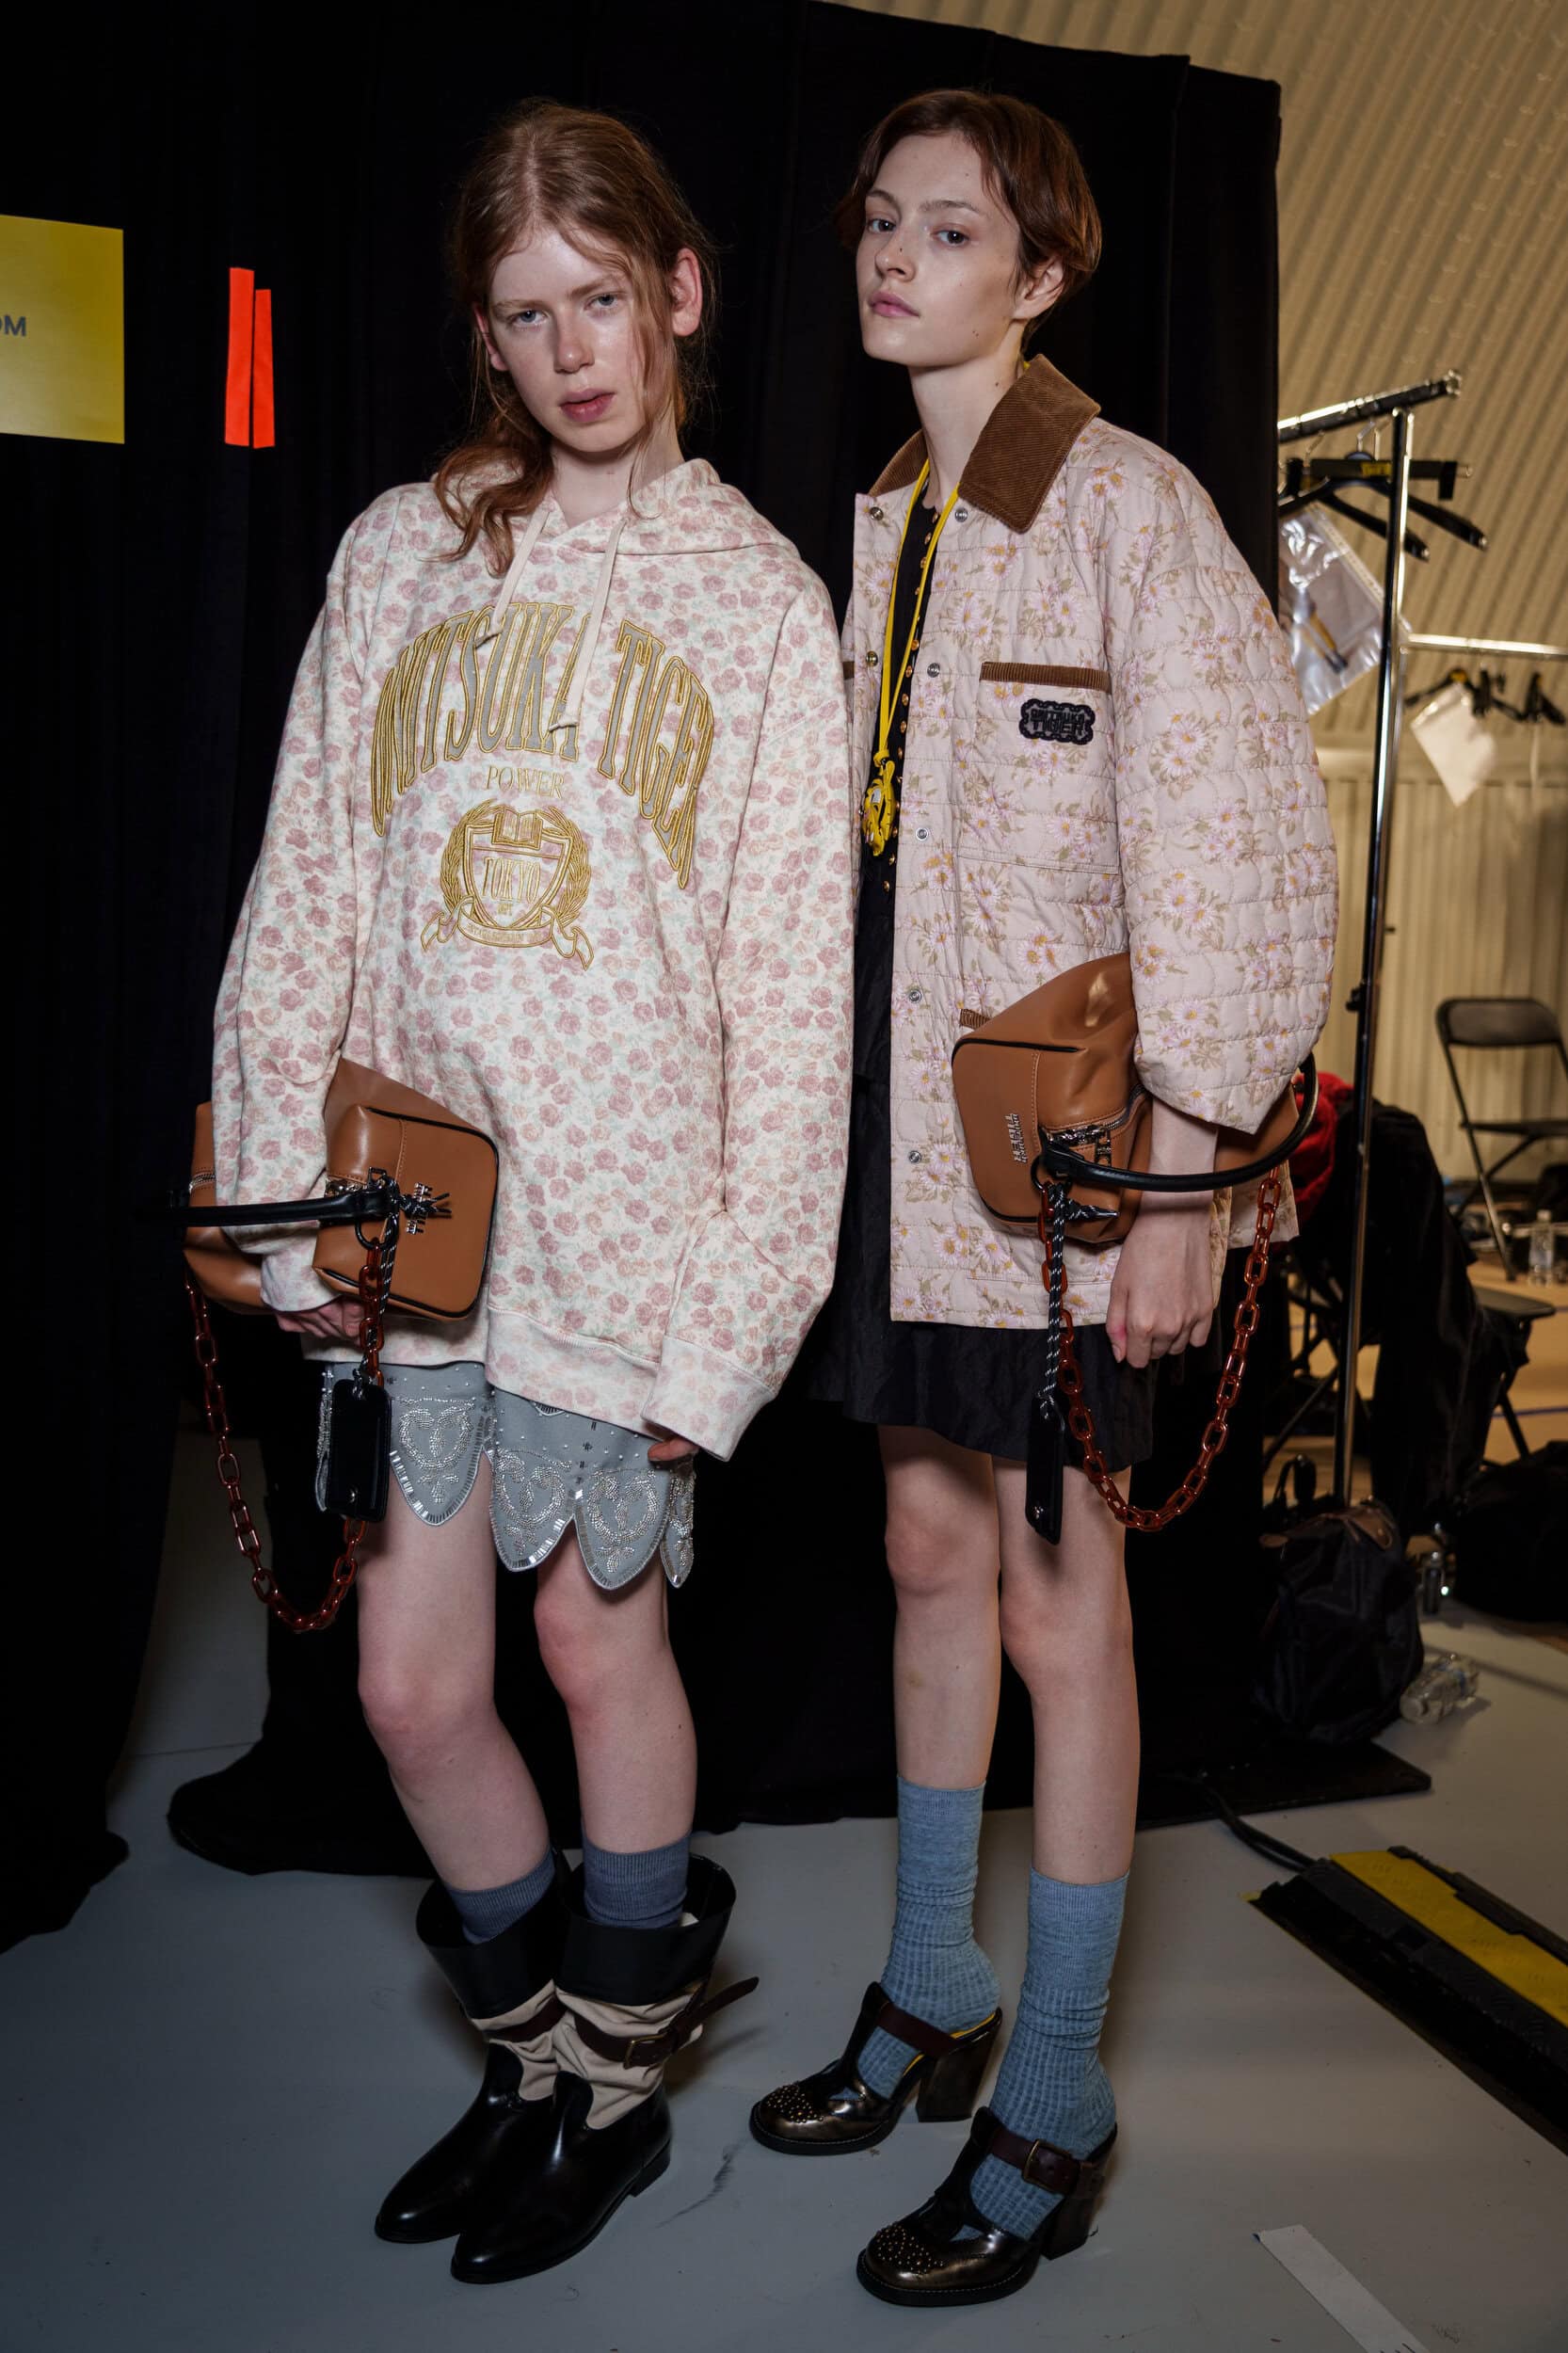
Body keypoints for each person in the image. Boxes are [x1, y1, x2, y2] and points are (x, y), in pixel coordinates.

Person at [210, 99, 852, 2284]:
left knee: (593, 1642)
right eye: (523, 315)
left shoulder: (758, 602)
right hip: (421, 1223)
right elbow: (308, 883)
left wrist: (728, 1325)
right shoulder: (401, 550)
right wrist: (279, 1204)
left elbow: (790, 1006)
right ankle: (534, 2053)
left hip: (633, 1235)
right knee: (407, 1686)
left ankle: (613, 2095)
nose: (572, 352)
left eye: (600, 297)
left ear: (678, 292)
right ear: (483, 338)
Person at [752, 89, 1336, 2309]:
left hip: (1072, 1172)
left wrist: (1188, 1178)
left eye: (947, 227)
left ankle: (1059, 2089)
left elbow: (1239, 859)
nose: (894, 255)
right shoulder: (888, 514)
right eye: (877, 220)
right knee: (924, 1550)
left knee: (1059, 1607)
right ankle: (930, 1985)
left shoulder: (1125, 504)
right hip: (906, 1164)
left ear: (1041, 272)